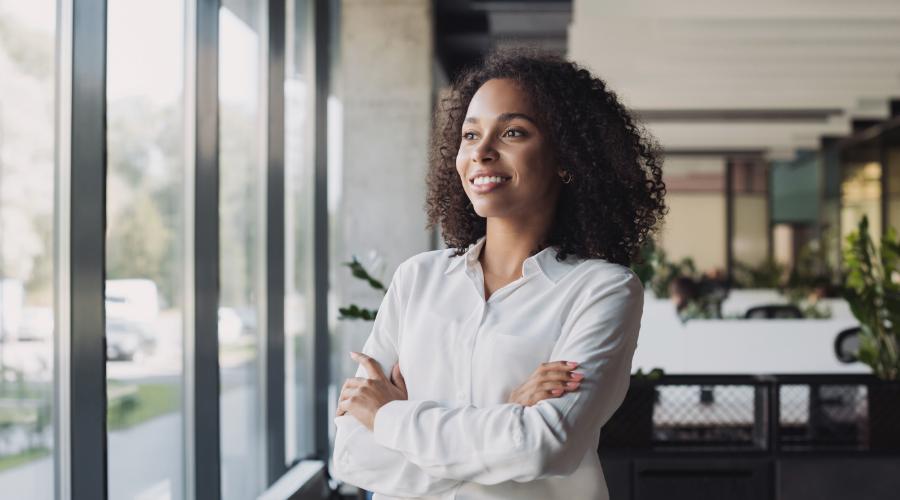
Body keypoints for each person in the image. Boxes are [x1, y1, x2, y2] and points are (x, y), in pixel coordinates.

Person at [332, 47, 666, 500]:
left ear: (566, 157)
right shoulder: (417, 280)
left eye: (512, 132)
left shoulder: (602, 291)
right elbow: (355, 455)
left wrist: (391, 418)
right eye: (470, 135)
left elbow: (544, 447)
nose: (482, 152)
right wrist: (507, 417)